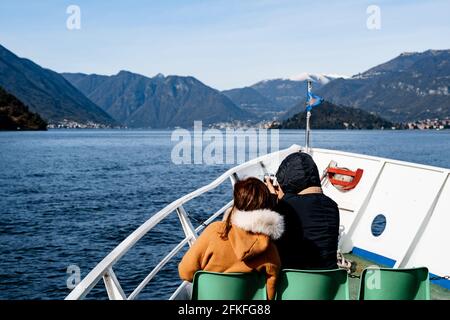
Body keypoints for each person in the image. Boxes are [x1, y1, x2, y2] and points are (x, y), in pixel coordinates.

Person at [178, 177, 284, 300]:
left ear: (236, 203)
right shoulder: (269, 249)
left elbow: (185, 272)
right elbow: (270, 292)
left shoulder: (215, 231)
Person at [265, 152, 340, 270]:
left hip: (291, 283)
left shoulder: (285, 207)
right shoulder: (332, 207)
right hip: (326, 284)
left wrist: (272, 199)